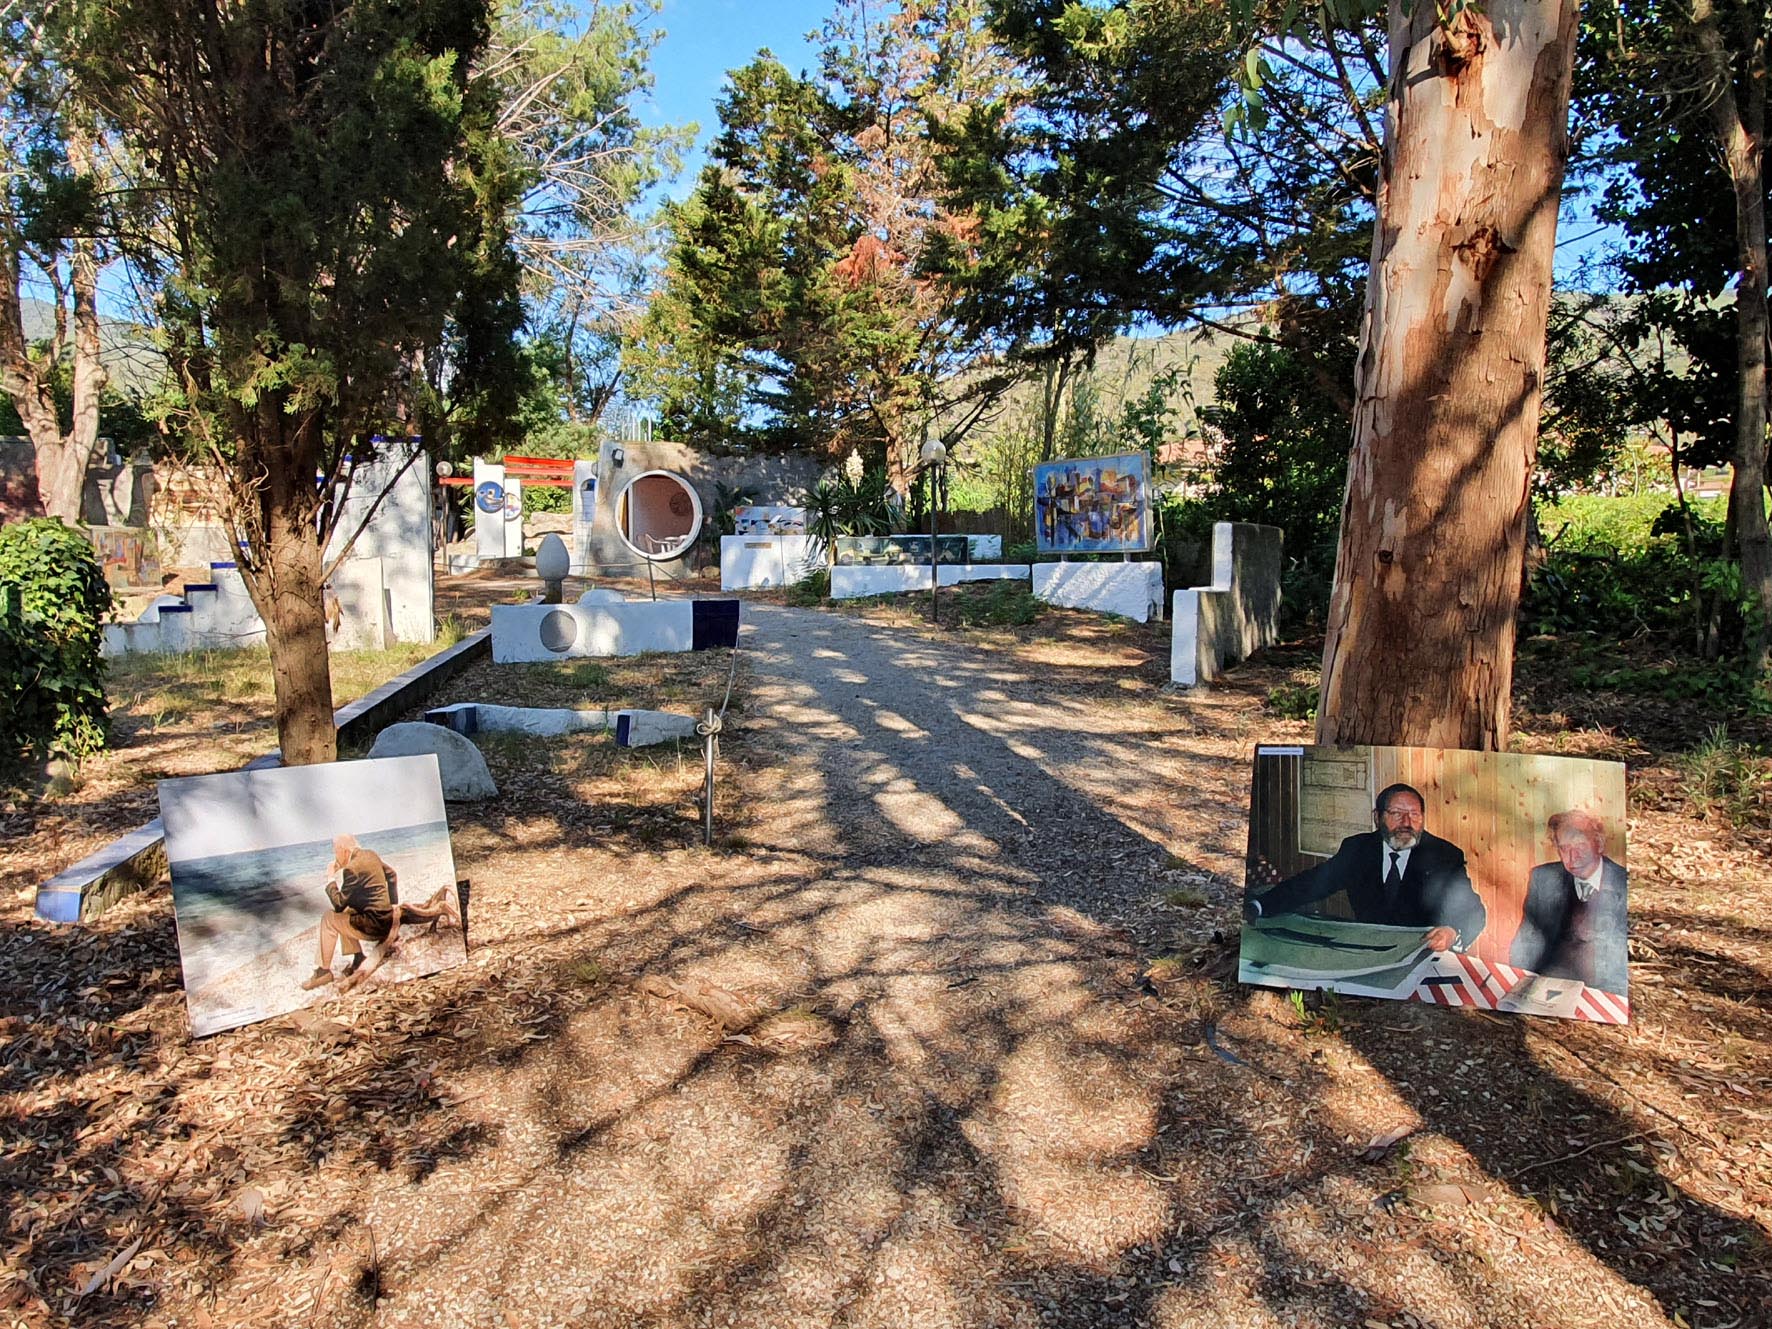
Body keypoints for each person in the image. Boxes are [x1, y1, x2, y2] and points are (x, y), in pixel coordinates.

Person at [1244, 782, 1487, 952]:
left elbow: (1472, 910)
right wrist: (1260, 905)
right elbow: (1309, 885)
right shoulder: (1358, 849)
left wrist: (1453, 932)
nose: (1407, 823)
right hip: (1367, 950)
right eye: (1396, 814)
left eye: (1415, 815)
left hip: (1424, 954)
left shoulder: (1444, 855)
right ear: (1377, 817)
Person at [1510, 810, 1629, 995]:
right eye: (1564, 848)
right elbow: (1526, 942)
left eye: (1580, 846)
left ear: (1599, 844)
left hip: (1603, 993)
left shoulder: (1622, 883)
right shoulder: (1543, 879)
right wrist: (1523, 985)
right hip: (1548, 988)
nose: (1572, 858)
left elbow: (1621, 969)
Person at [301, 834, 399, 990]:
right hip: (386, 919)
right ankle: (358, 958)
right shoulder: (371, 854)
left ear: (343, 850)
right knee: (346, 911)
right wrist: (394, 906)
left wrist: (330, 878)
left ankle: (323, 972)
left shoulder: (352, 869)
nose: (335, 856)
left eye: (335, 852)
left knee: (329, 917)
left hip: (374, 927)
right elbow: (392, 875)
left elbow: (338, 904)